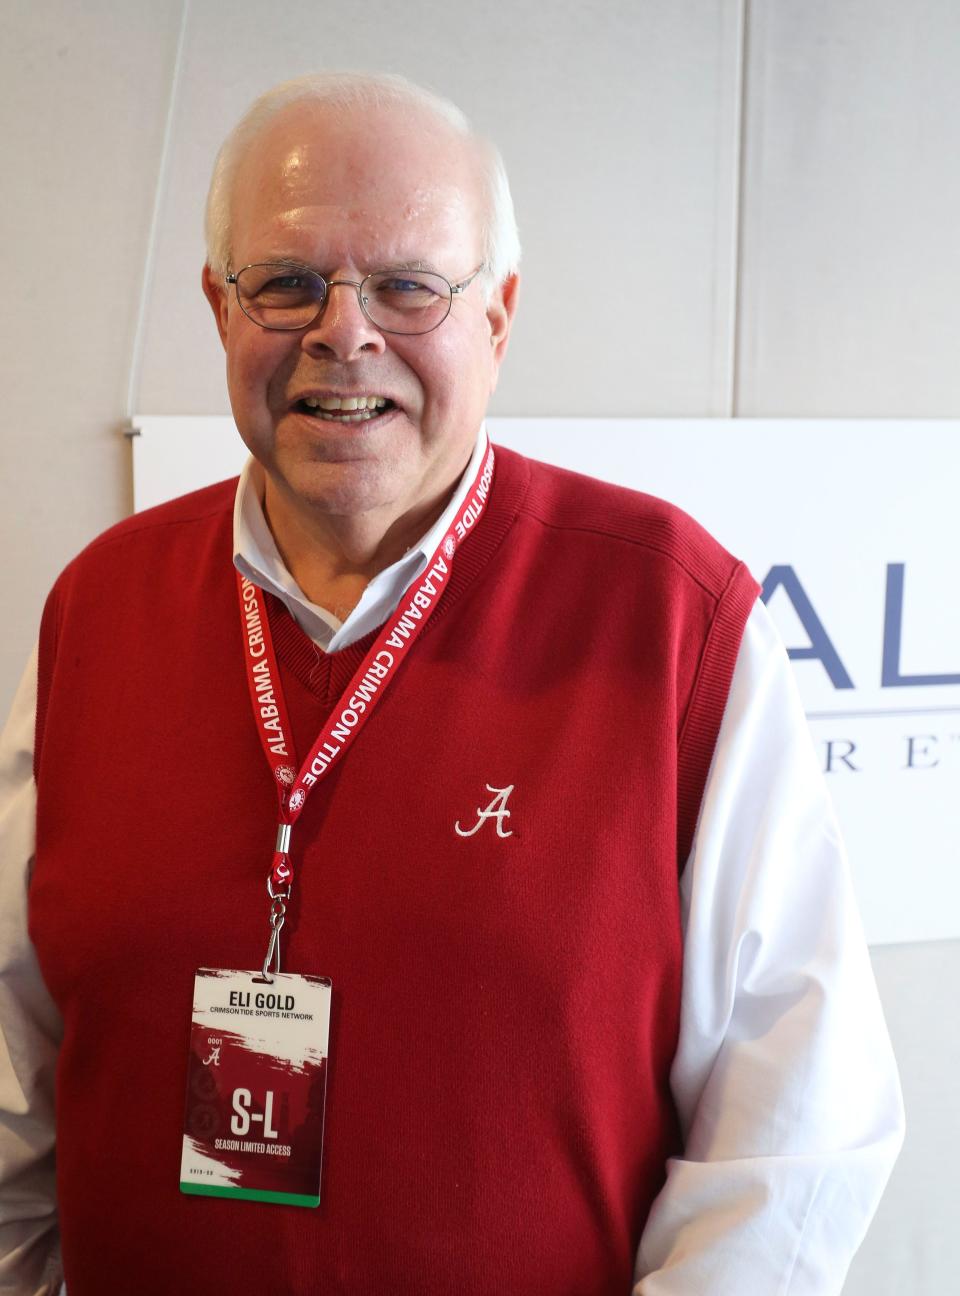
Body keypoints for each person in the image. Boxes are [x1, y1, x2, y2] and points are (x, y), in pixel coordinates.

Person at [0, 72, 903, 1295]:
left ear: (500, 315)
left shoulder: (673, 623)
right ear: (219, 309)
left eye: (410, 284)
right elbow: (17, 1060)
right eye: (285, 281)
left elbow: (794, 1133)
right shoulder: (95, 612)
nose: (344, 331)